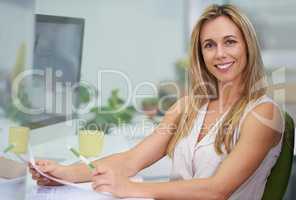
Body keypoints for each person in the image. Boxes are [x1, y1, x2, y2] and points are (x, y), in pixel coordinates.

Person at [29, 4, 284, 200]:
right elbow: (131, 160)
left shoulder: (263, 114)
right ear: (200, 54)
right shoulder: (189, 107)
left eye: (230, 42)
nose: (220, 53)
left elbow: (216, 191)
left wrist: (128, 187)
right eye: (209, 45)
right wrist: (64, 173)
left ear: (248, 47)